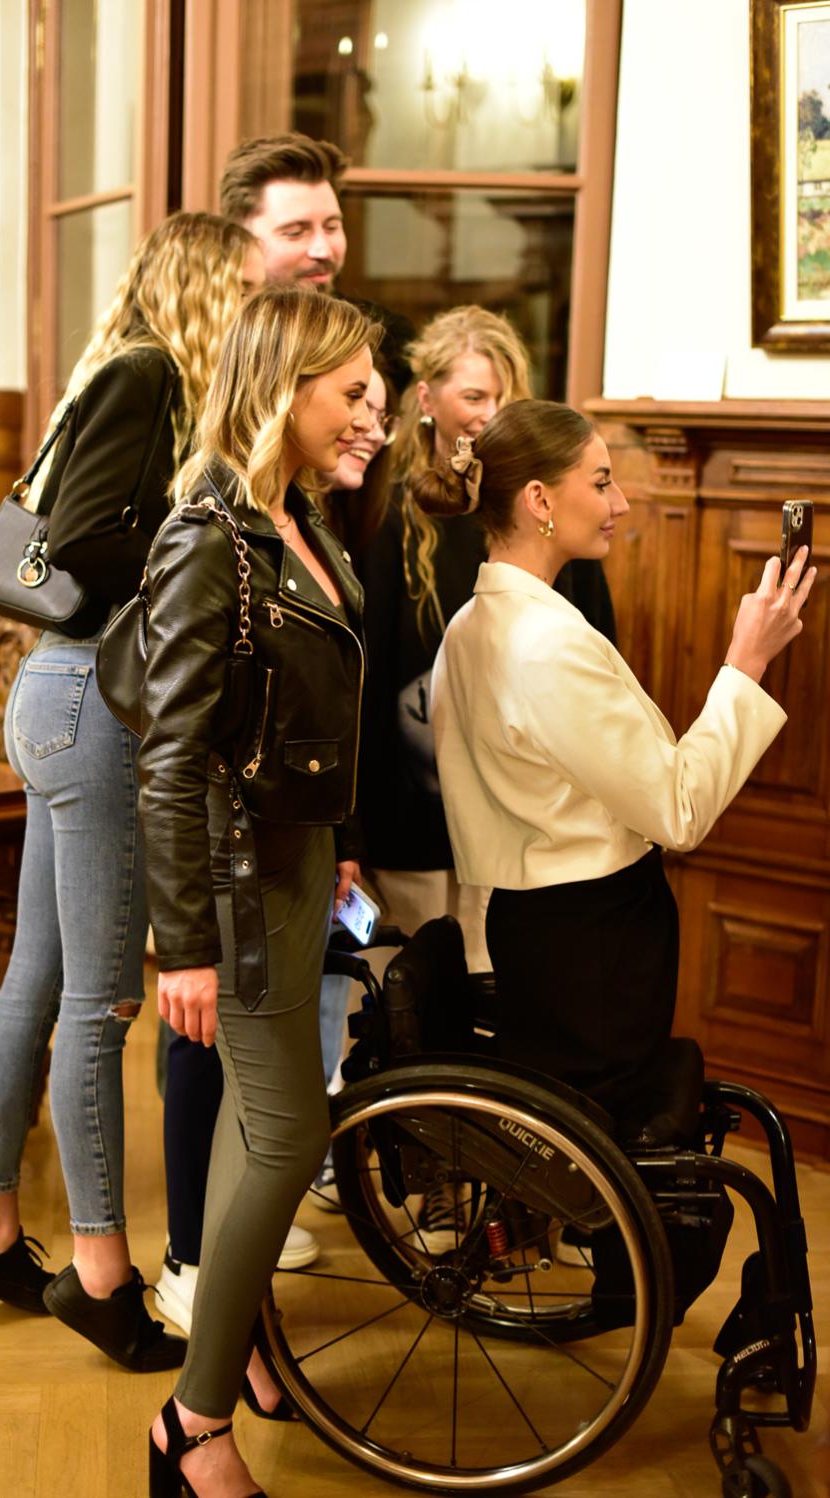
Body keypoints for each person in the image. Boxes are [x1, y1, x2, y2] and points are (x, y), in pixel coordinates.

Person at [0, 212, 264, 1375]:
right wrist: (201, 551)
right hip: (92, 705)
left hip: (58, 694)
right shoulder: (149, 375)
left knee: (38, 975)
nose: (251, 309)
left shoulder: (120, 368)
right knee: (99, 1002)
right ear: (204, 289)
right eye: (242, 286)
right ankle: (99, 1274)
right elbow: (80, 543)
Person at [140, 283, 377, 1498]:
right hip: (235, 884)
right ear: (282, 391)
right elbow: (170, 758)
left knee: (257, 1126)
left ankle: (235, 1348)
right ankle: (191, 1427)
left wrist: (338, 840)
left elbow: (309, 702)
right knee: (288, 1136)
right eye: (352, 394)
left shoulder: (301, 518)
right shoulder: (209, 532)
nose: (372, 416)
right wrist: (180, 943)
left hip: (296, 862)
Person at [430, 399, 815, 1133]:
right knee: (605, 1138)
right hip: (594, 935)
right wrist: (747, 661)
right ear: (540, 499)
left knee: (576, 1132)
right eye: (602, 481)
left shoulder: (471, 624)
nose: (622, 502)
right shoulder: (544, 643)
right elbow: (679, 811)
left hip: (537, 922)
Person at [359, 305, 615, 975]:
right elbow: (367, 677)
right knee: (412, 989)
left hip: (521, 816)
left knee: (496, 984)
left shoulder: (546, 509)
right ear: (427, 400)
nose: (490, 413)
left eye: (504, 397)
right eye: (474, 396)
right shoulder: (387, 509)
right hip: (411, 819)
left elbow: (598, 649)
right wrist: (354, 828)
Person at [219, 130, 414, 391]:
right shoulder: (207, 341)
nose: (323, 250)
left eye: (332, 227)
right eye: (295, 232)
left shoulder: (388, 342)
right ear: (242, 239)